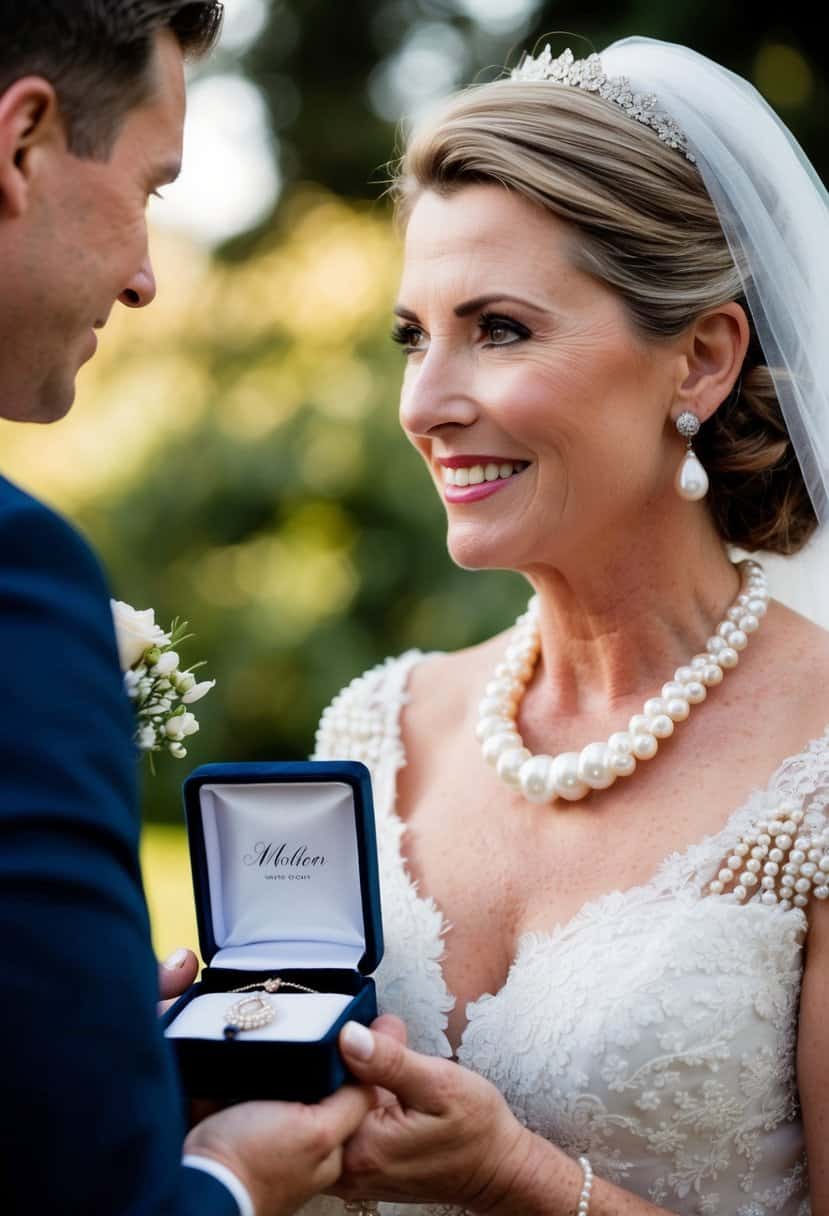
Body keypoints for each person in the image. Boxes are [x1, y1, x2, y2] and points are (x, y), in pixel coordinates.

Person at [312, 35, 829, 1215]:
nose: (424, 404)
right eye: (412, 334)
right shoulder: (379, 728)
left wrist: (521, 1177)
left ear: (698, 359)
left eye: (497, 327)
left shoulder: (822, 762)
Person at [0, 4, 375, 1213]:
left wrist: (90, 1049)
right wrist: (224, 1178)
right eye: (152, 190)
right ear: (22, 145)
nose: (148, 275)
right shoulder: (21, 575)